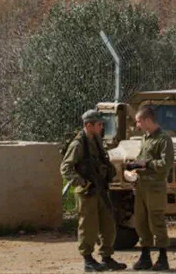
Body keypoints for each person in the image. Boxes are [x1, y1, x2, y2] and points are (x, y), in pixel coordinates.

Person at [61, 109, 127, 272]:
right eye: (98, 124)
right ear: (88, 125)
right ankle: (88, 259)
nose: (101, 127)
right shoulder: (78, 144)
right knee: (88, 226)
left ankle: (106, 257)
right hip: (87, 192)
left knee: (108, 224)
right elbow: (65, 168)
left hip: (101, 189)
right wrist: (82, 183)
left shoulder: (97, 140)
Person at [125, 106, 175, 271]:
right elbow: (143, 158)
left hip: (155, 187)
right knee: (141, 222)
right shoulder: (145, 138)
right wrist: (135, 165)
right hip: (141, 186)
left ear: (147, 120)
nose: (137, 124)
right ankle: (145, 256)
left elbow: (165, 164)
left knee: (156, 221)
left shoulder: (164, 139)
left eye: (139, 121)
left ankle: (163, 257)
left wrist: (146, 164)